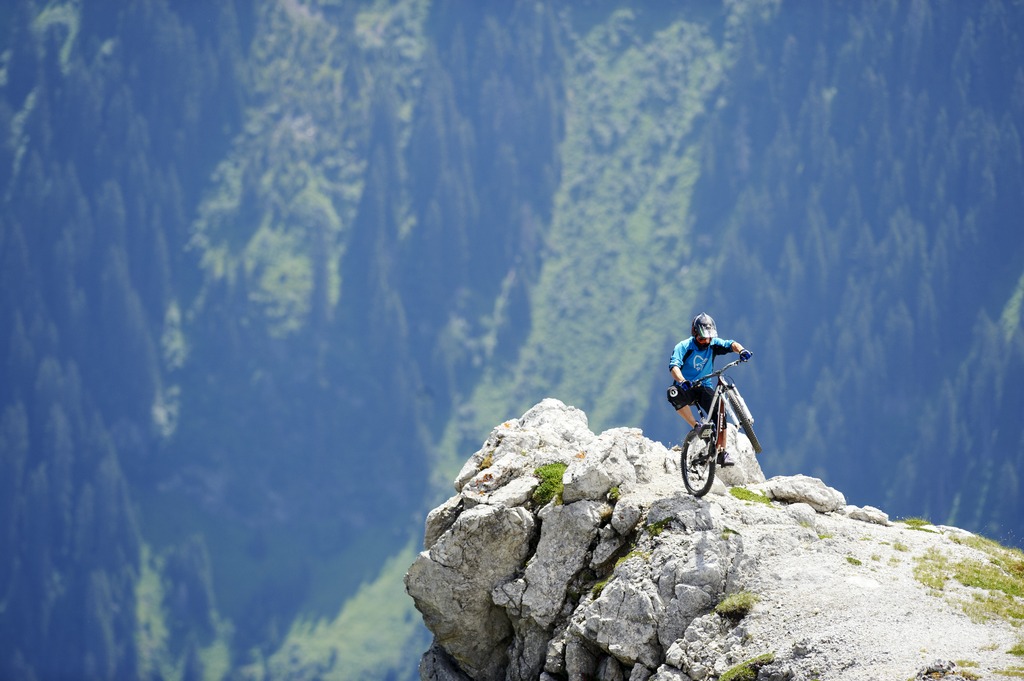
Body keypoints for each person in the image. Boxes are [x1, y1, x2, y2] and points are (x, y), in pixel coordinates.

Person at [667, 312, 751, 467]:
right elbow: (674, 366)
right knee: (673, 393)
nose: (706, 341)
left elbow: (731, 344)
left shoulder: (713, 344)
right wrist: (682, 380)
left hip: (704, 387)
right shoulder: (684, 347)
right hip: (687, 387)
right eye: (702, 338)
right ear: (694, 333)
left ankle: (721, 452)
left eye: (709, 338)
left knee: (720, 410)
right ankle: (696, 425)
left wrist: (742, 351)